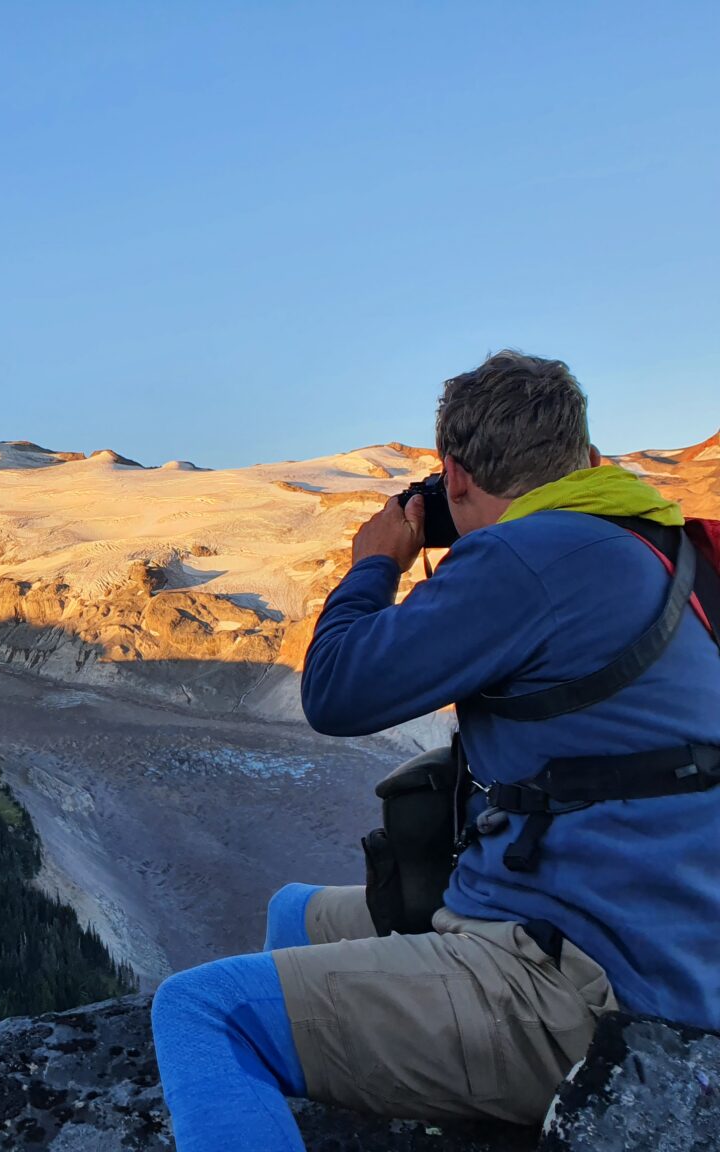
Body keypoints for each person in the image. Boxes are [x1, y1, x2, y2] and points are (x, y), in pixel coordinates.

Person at [151, 352, 720, 1150]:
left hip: (582, 987)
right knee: (291, 912)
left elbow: (339, 691)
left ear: (454, 477)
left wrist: (375, 565)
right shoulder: (663, 549)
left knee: (201, 1011)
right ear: (586, 460)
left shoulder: (530, 557)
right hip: (654, 944)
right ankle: (327, 1097)